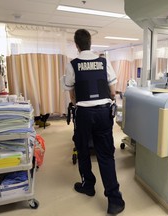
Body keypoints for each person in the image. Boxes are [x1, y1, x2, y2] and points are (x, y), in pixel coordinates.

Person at [64, 29, 125, 215]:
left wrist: (81, 104)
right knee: (106, 155)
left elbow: (72, 95)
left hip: (83, 113)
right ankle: (114, 200)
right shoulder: (103, 62)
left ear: (77, 45)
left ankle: (88, 186)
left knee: (83, 150)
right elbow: (113, 92)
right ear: (91, 43)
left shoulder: (72, 65)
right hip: (103, 113)